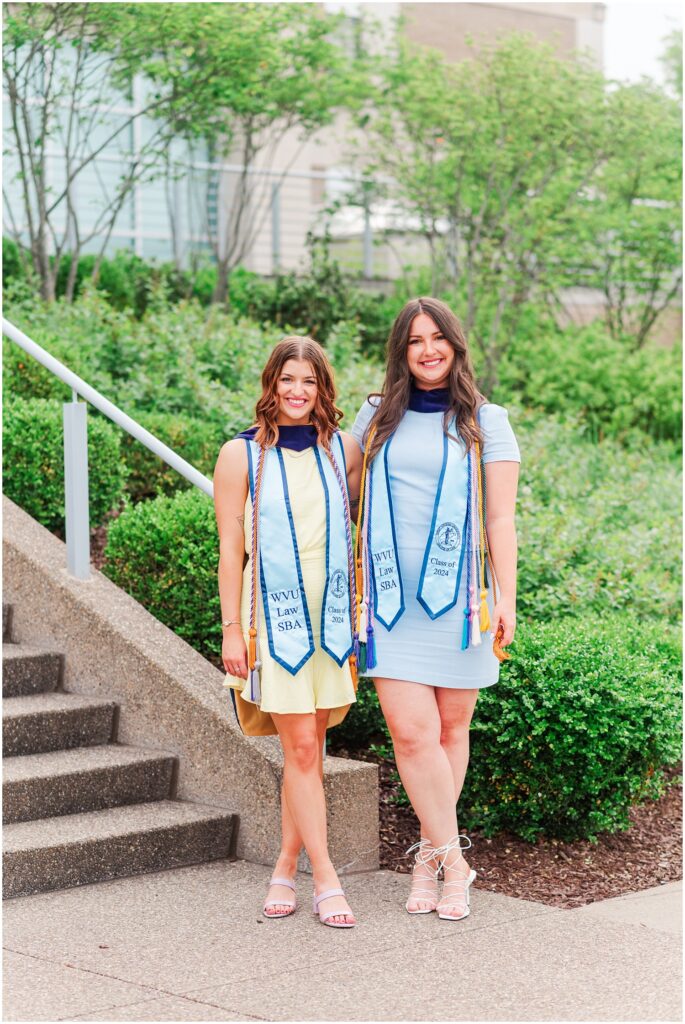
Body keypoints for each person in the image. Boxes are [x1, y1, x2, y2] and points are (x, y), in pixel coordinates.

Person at [352, 297, 520, 921]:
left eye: (438, 338)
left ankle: (429, 857)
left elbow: (501, 518)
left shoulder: (486, 419)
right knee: (411, 732)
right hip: (392, 603)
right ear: (401, 349)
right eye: (415, 340)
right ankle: (458, 863)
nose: (427, 350)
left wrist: (506, 596)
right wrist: (258, 444)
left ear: (455, 344)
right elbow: (329, 473)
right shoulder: (377, 417)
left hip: (458, 603)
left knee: (451, 730)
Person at [214, 336, 361, 928]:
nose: (297, 392)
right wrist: (230, 630)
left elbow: (353, 533)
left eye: (309, 381)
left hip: (331, 627)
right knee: (301, 749)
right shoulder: (240, 456)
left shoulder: (341, 452)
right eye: (286, 380)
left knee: (312, 754)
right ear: (270, 385)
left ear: (322, 388)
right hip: (273, 629)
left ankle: (284, 861)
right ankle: (326, 880)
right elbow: (230, 553)